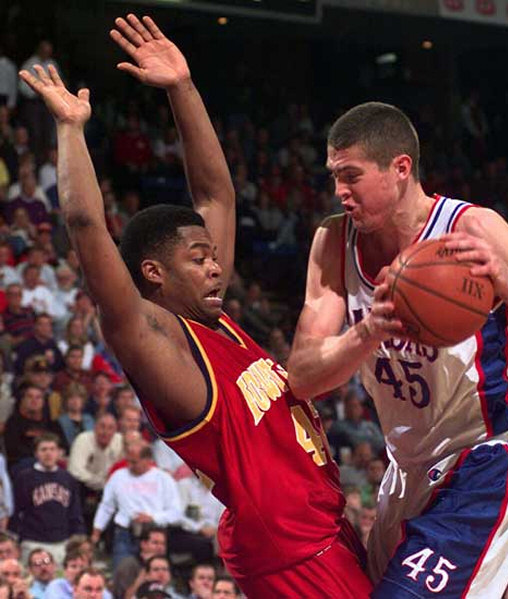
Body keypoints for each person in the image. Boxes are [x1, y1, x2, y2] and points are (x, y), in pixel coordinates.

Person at [19, 14, 371, 598]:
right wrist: (72, 129)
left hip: (323, 531)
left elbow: (215, 194)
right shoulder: (159, 344)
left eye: (213, 256)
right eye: (199, 258)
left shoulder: (218, 318)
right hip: (293, 558)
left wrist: (182, 87)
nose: (216, 266)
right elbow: (86, 226)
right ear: (154, 274)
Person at [285, 101, 508, 597]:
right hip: (405, 470)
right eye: (334, 177)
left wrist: (506, 281)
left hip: (483, 458)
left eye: (352, 176)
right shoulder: (333, 240)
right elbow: (301, 376)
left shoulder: (473, 230)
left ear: (400, 168)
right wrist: (368, 331)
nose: (339, 192)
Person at [11, 433, 85, 564]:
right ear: (36, 453)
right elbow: (17, 510)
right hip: (33, 542)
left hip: (61, 542)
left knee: (59, 579)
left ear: (59, 453)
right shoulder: (24, 478)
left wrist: (78, 536)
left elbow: (75, 510)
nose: (48, 453)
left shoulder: (68, 478)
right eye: (43, 449)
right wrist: (15, 538)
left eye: (52, 449)